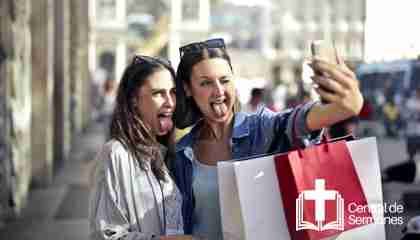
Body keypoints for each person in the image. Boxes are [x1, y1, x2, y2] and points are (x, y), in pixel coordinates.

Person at [171, 38, 364, 240]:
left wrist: (343, 106)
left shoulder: (263, 128)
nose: (219, 91)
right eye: (205, 83)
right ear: (187, 89)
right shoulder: (181, 153)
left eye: (225, 80)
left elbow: (297, 122)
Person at [89, 55, 192, 240]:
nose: (170, 102)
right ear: (134, 99)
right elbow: (104, 235)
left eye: (173, 92)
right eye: (158, 93)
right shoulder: (116, 154)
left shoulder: (165, 154)